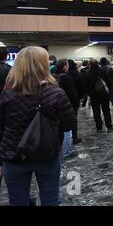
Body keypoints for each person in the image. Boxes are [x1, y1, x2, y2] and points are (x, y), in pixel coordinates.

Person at [0, 46, 75, 206]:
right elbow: (69, 124)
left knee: (18, 202)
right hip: (47, 152)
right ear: (43, 65)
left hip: (13, 155)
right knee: (51, 200)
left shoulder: (7, 94)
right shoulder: (56, 93)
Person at [54, 59, 79, 158]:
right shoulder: (67, 78)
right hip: (67, 106)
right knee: (68, 129)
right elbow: (73, 95)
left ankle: (60, 149)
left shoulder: (53, 76)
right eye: (67, 65)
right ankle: (66, 151)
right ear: (64, 66)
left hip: (56, 106)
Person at [84, 59, 113, 132]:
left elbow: (85, 85)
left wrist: (88, 93)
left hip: (93, 95)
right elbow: (109, 82)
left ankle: (99, 127)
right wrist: (109, 90)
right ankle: (109, 126)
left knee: (96, 111)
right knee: (106, 110)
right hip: (104, 94)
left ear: (90, 65)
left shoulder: (87, 73)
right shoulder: (102, 71)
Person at [66, 59, 83, 144]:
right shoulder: (76, 74)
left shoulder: (66, 75)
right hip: (75, 98)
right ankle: (74, 136)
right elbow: (80, 86)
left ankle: (69, 136)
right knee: (74, 117)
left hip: (66, 98)